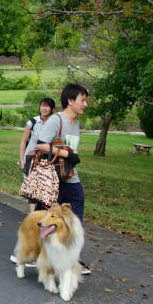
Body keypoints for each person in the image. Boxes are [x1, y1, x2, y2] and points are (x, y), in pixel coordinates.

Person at [26, 83, 92, 274]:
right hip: (52, 179)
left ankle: (72, 259)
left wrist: (71, 157)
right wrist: (65, 155)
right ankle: (35, 253)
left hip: (70, 177)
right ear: (70, 101)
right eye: (83, 100)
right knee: (46, 217)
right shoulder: (57, 120)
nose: (85, 104)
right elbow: (41, 145)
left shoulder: (75, 123)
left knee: (74, 218)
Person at [19, 98, 58, 213]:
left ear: (52, 109)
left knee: (45, 186)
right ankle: (33, 215)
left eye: (47, 106)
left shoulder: (55, 123)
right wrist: (22, 160)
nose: (44, 108)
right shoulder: (33, 122)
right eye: (42, 106)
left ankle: (44, 213)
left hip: (47, 160)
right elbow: (23, 141)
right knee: (32, 186)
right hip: (31, 158)